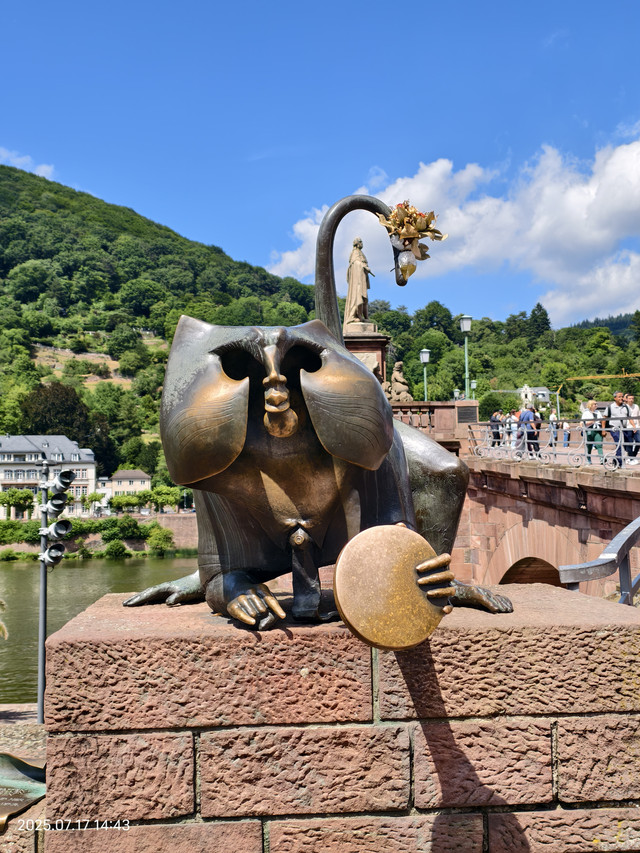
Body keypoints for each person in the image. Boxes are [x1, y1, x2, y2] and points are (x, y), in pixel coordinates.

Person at [343, 237, 374, 331]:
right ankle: (354, 316)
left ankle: (363, 317)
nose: (362, 244)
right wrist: (363, 266)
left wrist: (365, 267)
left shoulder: (361, 253)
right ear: (357, 244)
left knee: (364, 299)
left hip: (362, 279)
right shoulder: (354, 253)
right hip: (358, 281)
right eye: (361, 242)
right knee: (358, 297)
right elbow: (355, 264)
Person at [605, 391, 630, 467]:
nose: (621, 398)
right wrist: (603, 430)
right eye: (619, 397)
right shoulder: (610, 407)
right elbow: (604, 418)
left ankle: (616, 459)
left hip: (624, 428)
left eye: (622, 396)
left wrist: (634, 426)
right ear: (615, 398)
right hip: (614, 428)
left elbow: (630, 418)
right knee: (619, 444)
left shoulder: (626, 407)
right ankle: (620, 463)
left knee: (626, 444)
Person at [581, 400, 604, 464]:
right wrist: (591, 421)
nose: (596, 405)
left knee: (599, 444)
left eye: (596, 404)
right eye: (595, 404)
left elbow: (601, 420)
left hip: (597, 429)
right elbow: (582, 423)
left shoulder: (598, 412)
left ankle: (602, 459)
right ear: (590, 405)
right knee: (589, 446)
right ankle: (588, 459)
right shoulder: (586, 413)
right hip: (589, 430)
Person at [624, 393, 640, 461]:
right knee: (629, 443)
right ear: (627, 399)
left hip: (637, 426)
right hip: (628, 427)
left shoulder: (636, 406)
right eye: (630, 398)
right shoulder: (624, 407)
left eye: (632, 398)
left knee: (638, 441)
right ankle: (631, 458)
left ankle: (632, 456)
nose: (631, 400)